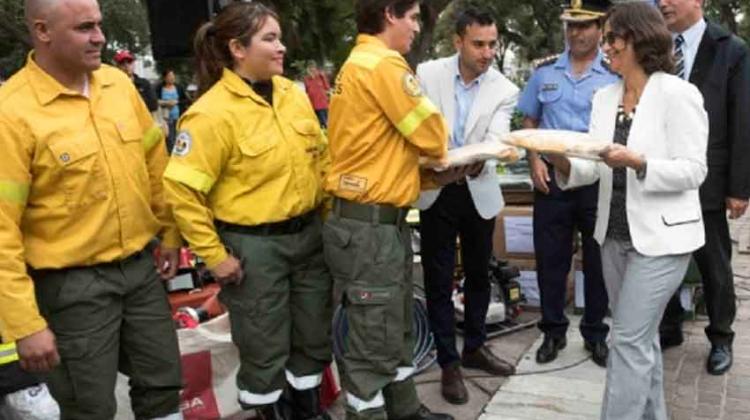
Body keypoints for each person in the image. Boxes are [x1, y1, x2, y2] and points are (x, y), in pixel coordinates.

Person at [0, 0, 183, 419]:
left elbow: (155, 165)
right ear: (43, 31)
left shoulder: (118, 87)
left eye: (99, 25)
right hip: (71, 288)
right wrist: (25, 323)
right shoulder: (11, 113)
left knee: (164, 385)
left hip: (141, 271)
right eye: (85, 28)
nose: (100, 37)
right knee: (89, 406)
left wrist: (170, 233)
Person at [162, 3, 332, 419]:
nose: (282, 48)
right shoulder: (211, 114)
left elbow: (321, 160)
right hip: (255, 249)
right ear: (238, 48)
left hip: (310, 238)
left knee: (312, 338)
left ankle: (307, 410)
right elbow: (182, 191)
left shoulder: (292, 95)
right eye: (269, 39)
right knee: (264, 347)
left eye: (279, 37)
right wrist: (215, 257)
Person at [546, 3, 708, 418]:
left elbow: (694, 171)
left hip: (663, 240)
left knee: (627, 343)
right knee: (641, 340)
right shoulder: (604, 98)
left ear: (636, 38)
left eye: (612, 37)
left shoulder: (679, 94)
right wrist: (557, 157)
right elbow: (590, 167)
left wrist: (640, 163)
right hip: (613, 238)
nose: (606, 46)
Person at [323, 0, 455, 419]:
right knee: (371, 344)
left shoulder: (356, 63)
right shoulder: (384, 66)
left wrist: (430, 176)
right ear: (389, 14)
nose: (416, 27)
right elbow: (433, 137)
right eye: (412, 17)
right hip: (372, 230)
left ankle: (405, 410)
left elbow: (381, 152)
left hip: (373, 223)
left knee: (393, 329)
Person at [414, 7, 519, 405]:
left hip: (477, 187)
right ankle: (448, 363)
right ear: (457, 41)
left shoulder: (505, 89)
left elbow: (498, 139)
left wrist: (479, 159)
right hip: (436, 190)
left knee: (479, 274)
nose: (488, 52)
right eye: (479, 44)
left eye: (492, 43)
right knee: (439, 280)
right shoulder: (426, 75)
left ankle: (474, 346)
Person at [517, 0, 617, 367]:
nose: (577, 33)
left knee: (598, 262)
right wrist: (532, 161)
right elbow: (529, 123)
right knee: (551, 262)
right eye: (571, 26)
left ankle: (595, 333)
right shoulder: (544, 75)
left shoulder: (613, 76)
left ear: (600, 27)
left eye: (585, 26)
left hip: (596, 181)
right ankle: (553, 332)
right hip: (552, 181)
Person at [657, 0, 750, 376]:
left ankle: (721, 337)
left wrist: (739, 188)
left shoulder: (731, 49)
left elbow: (743, 121)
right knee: (662, 256)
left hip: (708, 178)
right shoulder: (656, 46)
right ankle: (669, 324)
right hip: (662, 174)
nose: (663, 3)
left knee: (713, 262)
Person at [156, 68, 187, 152]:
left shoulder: (179, 87)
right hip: (165, 118)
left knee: (180, 137)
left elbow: (185, 100)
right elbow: (154, 101)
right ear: (165, 78)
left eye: (173, 76)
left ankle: (180, 154)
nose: (172, 78)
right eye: (169, 76)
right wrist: (166, 103)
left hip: (178, 117)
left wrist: (176, 102)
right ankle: (171, 156)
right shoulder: (159, 88)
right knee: (169, 139)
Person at [303, 62, 330, 128]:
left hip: (322, 104)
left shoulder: (320, 77)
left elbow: (327, 87)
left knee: (326, 123)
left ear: (316, 69)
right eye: (309, 69)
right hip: (313, 105)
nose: (311, 71)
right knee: (318, 124)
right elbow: (307, 91)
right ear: (307, 70)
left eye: (313, 68)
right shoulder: (306, 79)